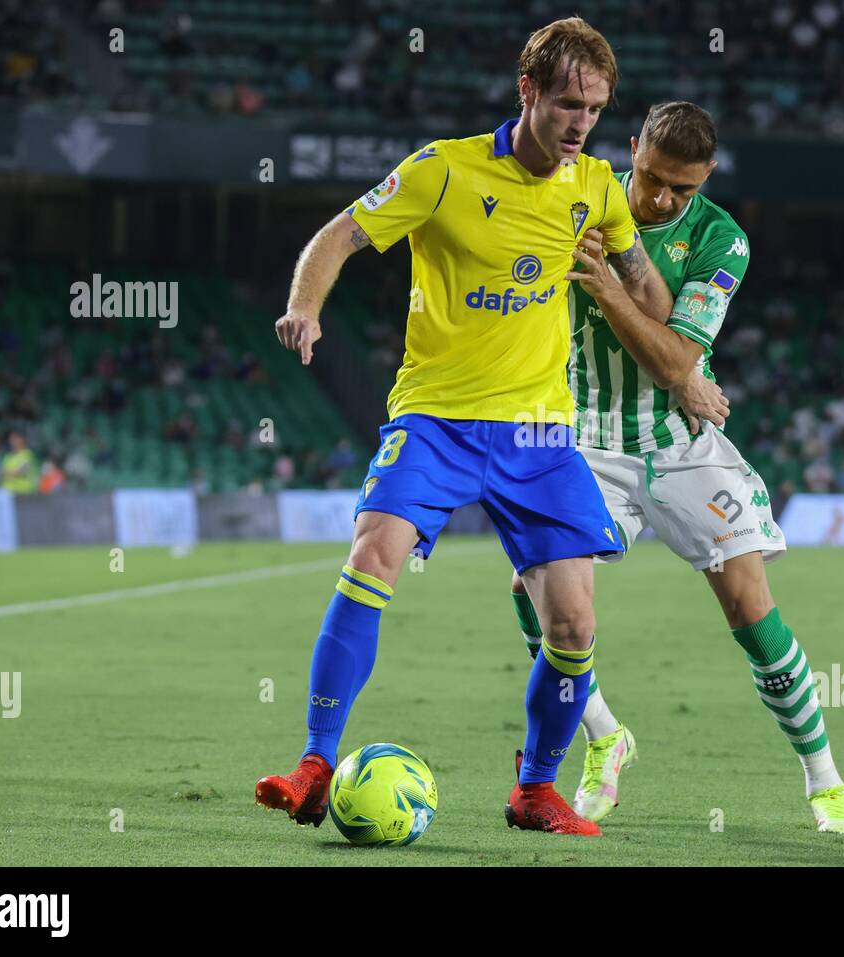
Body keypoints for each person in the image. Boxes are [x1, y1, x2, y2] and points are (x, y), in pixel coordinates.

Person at [255, 17, 672, 837]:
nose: (581, 122)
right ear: (527, 93)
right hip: (437, 419)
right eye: (565, 104)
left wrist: (619, 288)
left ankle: (535, 789)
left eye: (594, 107)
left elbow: (651, 299)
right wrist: (304, 307)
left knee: (574, 624)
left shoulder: (597, 188)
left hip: (540, 434)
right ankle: (313, 761)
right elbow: (337, 238)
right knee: (373, 551)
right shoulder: (442, 170)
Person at [508, 101, 844, 833]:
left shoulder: (720, 239)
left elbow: (676, 359)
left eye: (682, 188)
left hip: (680, 444)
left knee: (750, 608)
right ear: (631, 150)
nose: (662, 198)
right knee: (531, 588)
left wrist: (612, 295)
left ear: (703, 181)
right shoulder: (578, 194)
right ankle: (604, 732)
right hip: (586, 440)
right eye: (651, 178)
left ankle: (825, 781)